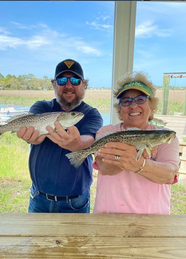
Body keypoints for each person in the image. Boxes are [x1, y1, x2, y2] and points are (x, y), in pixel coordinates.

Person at [17, 59, 103, 213]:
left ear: (84, 85)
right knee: (35, 238)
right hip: (38, 199)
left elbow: (89, 139)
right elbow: (31, 124)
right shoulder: (41, 107)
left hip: (76, 202)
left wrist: (77, 144)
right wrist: (30, 136)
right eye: (62, 80)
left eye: (75, 80)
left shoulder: (91, 114)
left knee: (76, 239)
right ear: (54, 85)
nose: (69, 85)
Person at [93, 72, 179, 215]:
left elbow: (169, 174)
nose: (133, 106)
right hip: (108, 218)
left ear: (151, 107)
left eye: (140, 99)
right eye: (126, 101)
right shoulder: (107, 132)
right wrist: (132, 155)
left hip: (153, 221)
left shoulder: (165, 136)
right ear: (119, 110)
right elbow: (104, 166)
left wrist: (140, 164)